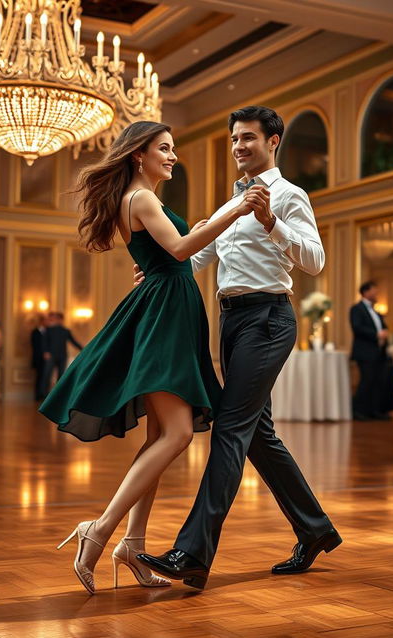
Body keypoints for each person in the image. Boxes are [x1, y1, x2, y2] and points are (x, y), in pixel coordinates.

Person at [39, 120, 257, 596]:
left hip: (170, 308)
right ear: (139, 154)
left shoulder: (145, 199)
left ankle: (132, 546)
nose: (173, 156)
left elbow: (174, 250)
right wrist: (237, 209)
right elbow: (179, 248)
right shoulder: (140, 198)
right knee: (178, 433)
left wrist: (200, 229)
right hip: (165, 315)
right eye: (165, 148)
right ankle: (98, 531)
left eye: (174, 148)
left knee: (161, 435)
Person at [136, 106, 341, 590]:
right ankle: (314, 530)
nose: (238, 147)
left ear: (273, 141)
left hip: (269, 320)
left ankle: (192, 553)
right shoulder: (234, 199)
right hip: (232, 321)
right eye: (233, 140)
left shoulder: (290, 196)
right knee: (257, 433)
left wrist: (272, 221)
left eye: (248, 138)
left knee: (230, 429)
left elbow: (315, 261)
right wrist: (162, 270)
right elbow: (200, 251)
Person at [349, 281, 389, 420]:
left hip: (379, 352)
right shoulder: (357, 309)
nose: (376, 293)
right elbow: (357, 327)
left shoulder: (376, 311)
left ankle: (374, 411)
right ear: (365, 292)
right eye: (374, 290)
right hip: (365, 352)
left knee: (377, 382)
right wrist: (377, 334)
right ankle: (359, 412)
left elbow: (383, 327)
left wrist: (384, 333)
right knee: (366, 381)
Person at [42, 311, 83, 392]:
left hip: (62, 356)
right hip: (51, 356)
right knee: (47, 375)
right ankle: (43, 395)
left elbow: (73, 341)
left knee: (61, 376)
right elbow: (44, 342)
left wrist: (83, 349)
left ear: (61, 320)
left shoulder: (66, 331)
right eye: (55, 318)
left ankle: (58, 394)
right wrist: (45, 352)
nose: (57, 320)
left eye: (59, 319)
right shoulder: (48, 330)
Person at [30, 314, 48, 401]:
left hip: (47, 359)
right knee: (39, 376)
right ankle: (37, 395)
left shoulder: (48, 332)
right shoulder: (35, 332)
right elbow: (35, 346)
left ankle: (44, 394)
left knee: (45, 376)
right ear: (41, 321)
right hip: (38, 358)